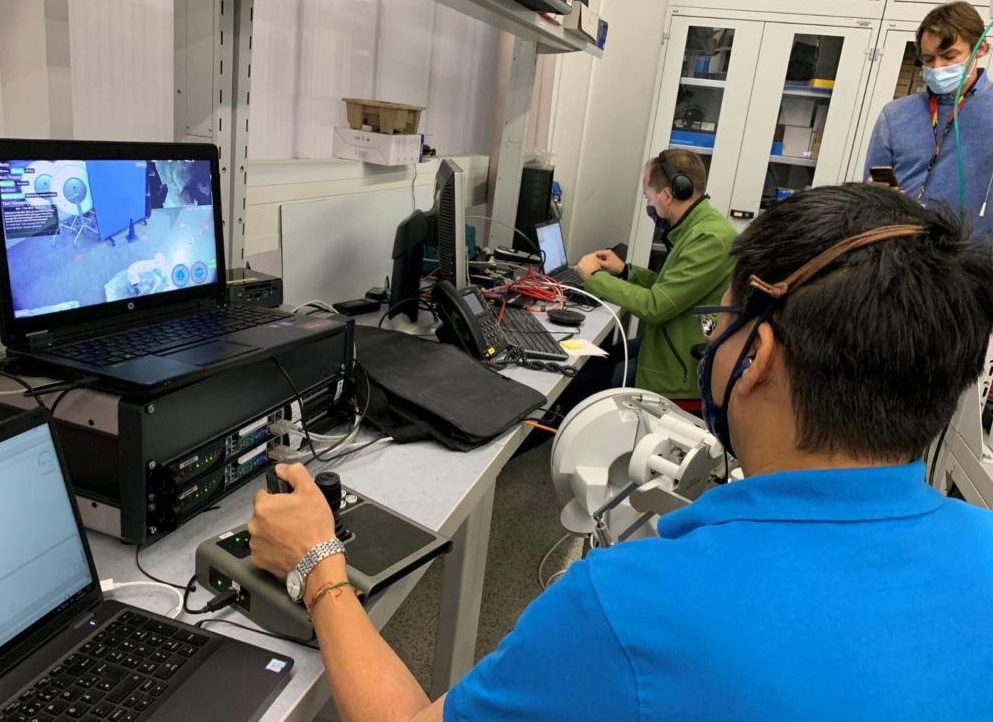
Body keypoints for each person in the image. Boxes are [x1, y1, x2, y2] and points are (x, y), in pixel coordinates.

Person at [248, 183, 993, 720]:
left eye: (722, 322)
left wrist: (318, 564)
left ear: (756, 354)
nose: (716, 338)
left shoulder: (631, 607)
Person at [572, 148, 736, 400]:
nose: (649, 204)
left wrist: (594, 278)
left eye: (649, 197)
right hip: (668, 347)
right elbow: (669, 290)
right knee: (587, 363)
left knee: (575, 388)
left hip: (679, 372)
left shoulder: (710, 239)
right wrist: (625, 271)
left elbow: (656, 306)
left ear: (668, 195)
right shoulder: (696, 229)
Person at [864, 0, 993, 236]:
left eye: (949, 56)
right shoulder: (895, 115)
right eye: (929, 59)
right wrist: (877, 192)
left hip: (970, 259)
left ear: (981, 49)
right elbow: (870, 187)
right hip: (901, 250)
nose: (938, 67)